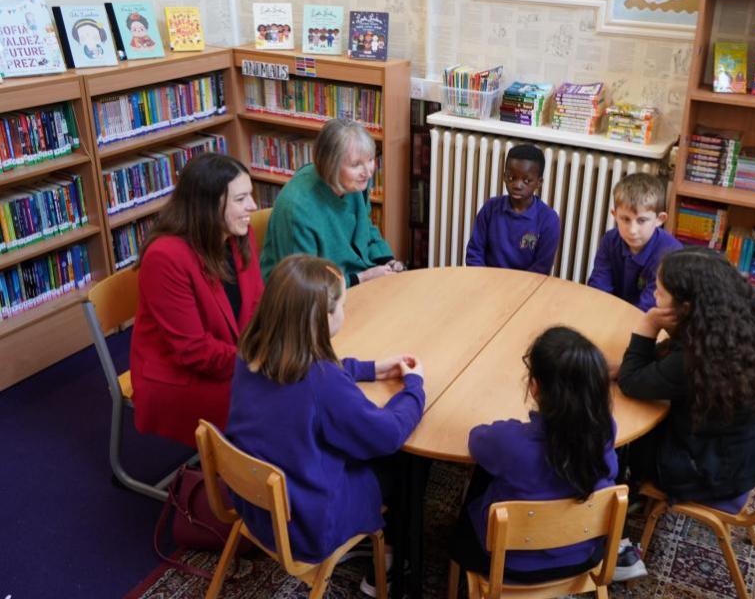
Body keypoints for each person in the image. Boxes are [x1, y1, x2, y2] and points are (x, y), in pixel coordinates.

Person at [227, 255, 424, 596]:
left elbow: (306, 373)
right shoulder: (321, 382)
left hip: (255, 506)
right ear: (323, 319)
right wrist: (415, 388)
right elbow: (388, 433)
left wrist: (370, 368)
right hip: (307, 524)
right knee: (406, 461)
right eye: (341, 307)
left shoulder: (251, 351)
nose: (344, 313)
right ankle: (391, 565)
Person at [449, 326, 647, 584]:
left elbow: (476, 438)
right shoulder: (606, 429)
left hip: (509, 563)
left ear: (534, 386)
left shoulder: (510, 442)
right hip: (583, 555)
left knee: (483, 473)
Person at [617, 247, 755, 502]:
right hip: (740, 458)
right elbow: (668, 361)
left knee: (621, 424)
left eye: (660, 292)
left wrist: (649, 325)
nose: (654, 295)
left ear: (685, 308)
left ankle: (620, 491)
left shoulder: (695, 359)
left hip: (705, 474)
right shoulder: (735, 323)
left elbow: (630, 383)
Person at [130, 152, 263, 447]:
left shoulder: (241, 235)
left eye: (250, 196)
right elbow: (192, 351)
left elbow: (256, 303)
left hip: (230, 355)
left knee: (297, 386)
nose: (253, 206)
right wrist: (259, 362)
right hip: (179, 377)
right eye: (241, 199)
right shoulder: (165, 257)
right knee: (277, 402)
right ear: (209, 206)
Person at [259, 118, 404, 284]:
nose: (368, 173)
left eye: (370, 159)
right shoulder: (297, 207)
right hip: (306, 296)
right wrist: (362, 278)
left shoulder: (356, 182)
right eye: (356, 164)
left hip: (349, 277)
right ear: (331, 165)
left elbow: (365, 229)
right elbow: (301, 284)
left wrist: (386, 261)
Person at [587, 173, 681, 311]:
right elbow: (599, 287)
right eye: (625, 219)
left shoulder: (670, 254)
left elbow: (650, 307)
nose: (632, 230)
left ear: (659, 219)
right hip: (612, 314)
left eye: (642, 221)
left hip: (648, 321)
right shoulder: (610, 240)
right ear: (615, 215)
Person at [464, 144, 561, 275]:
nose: (517, 185)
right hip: (486, 282)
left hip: (526, 288)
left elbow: (541, 269)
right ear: (504, 176)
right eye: (511, 178)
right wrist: (483, 280)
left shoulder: (549, 219)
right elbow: (474, 253)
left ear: (539, 182)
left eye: (526, 180)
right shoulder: (490, 209)